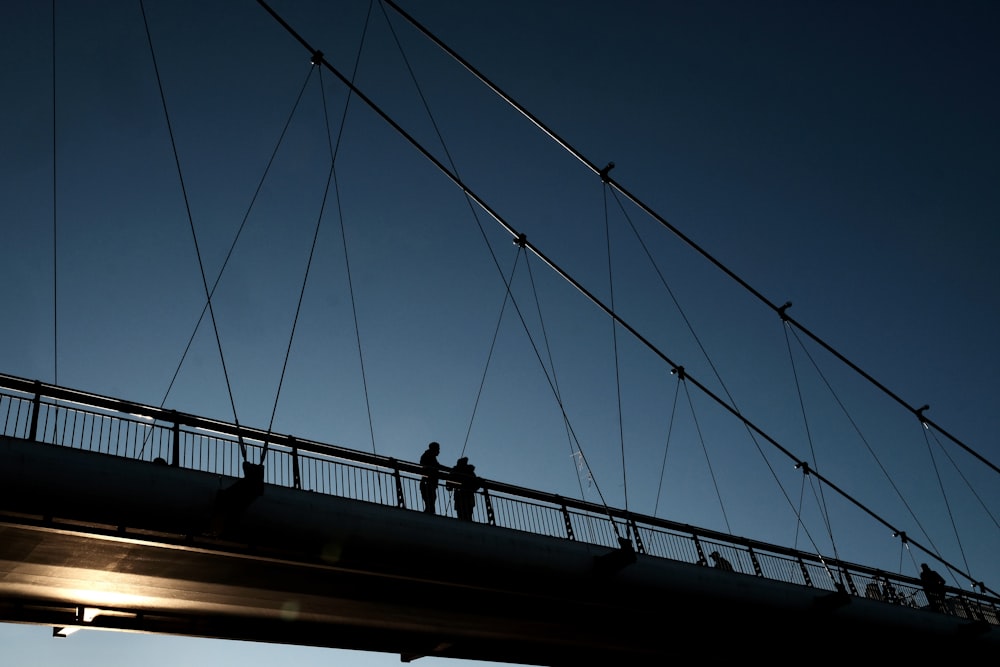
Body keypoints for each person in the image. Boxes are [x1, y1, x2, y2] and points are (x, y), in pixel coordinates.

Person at [448, 456, 481, 521]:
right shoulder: (470, 472)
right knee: (467, 514)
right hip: (468, 496)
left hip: (461, 496)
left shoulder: (457, 471)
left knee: (461, 513)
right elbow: (476, 485)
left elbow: (449, 484)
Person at [419, 442, 444, 514]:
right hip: (428, 482)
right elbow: (436, 466)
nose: (439, 451)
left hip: (428, 482)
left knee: (431, 501)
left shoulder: (430, 456)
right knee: (430, 500)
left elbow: (437, 466)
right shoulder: (429, 455)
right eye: (438, 449)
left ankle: (429, 513)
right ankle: (429, 514)